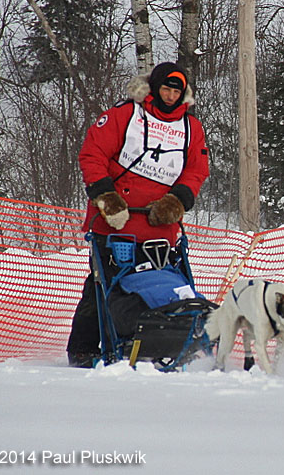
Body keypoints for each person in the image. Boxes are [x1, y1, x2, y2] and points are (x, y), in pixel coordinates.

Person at [67, 62, 209, 367]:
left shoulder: (191, 127)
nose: (170, 95)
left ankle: (172, 339)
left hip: (161, 226)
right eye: (166, 88)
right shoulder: (124, 115)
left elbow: (197, 169)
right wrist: (106, 197)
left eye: (176, 90)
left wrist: (178, 200)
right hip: (114, 223)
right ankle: (83, 347)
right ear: (154, 88)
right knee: (101, 285)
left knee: (168, 285)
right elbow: (92, 154)